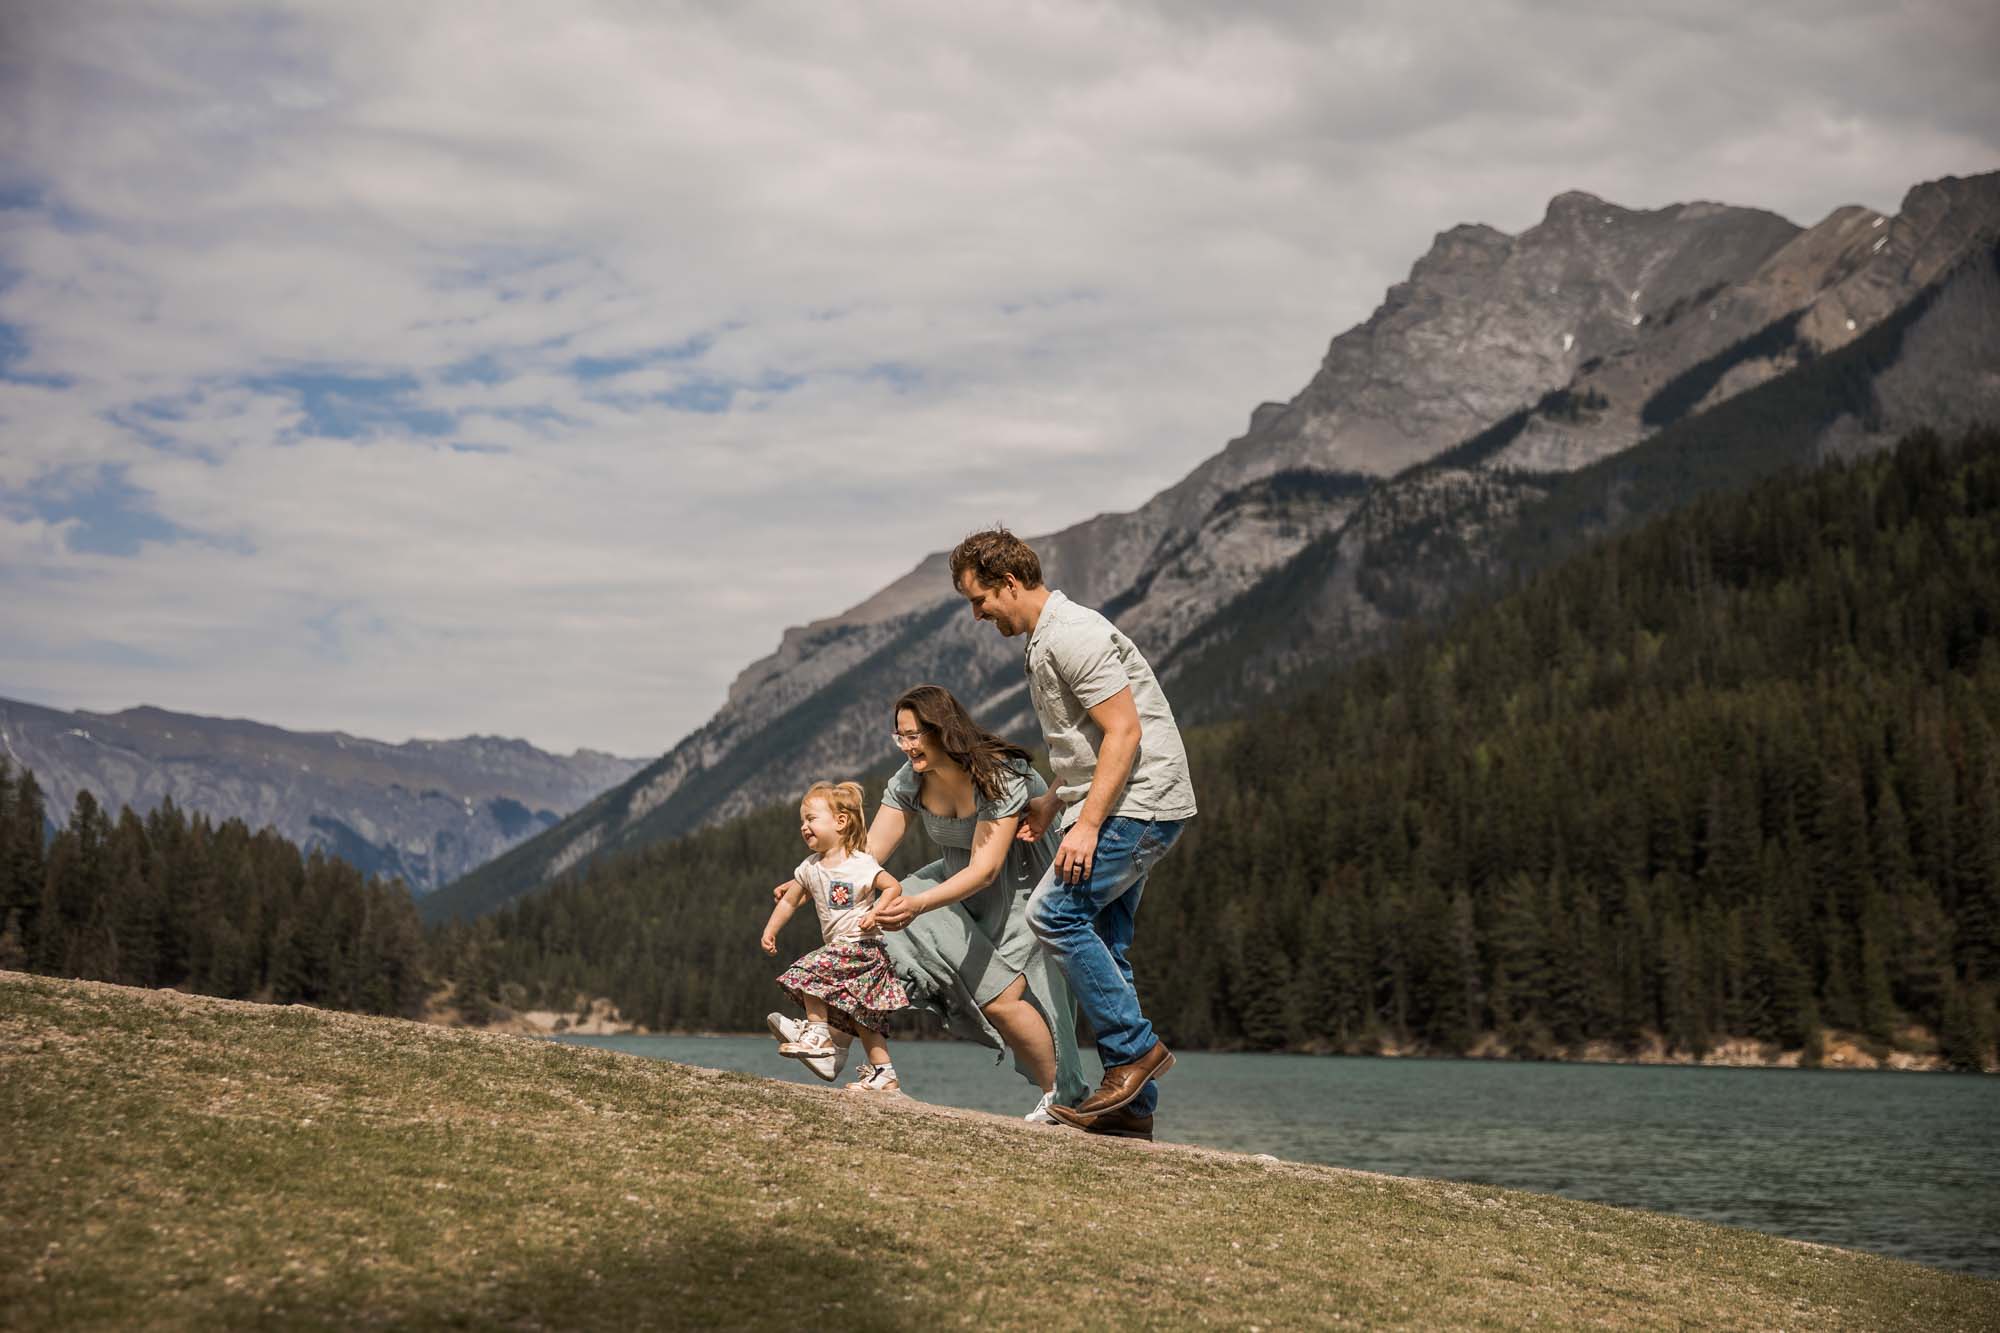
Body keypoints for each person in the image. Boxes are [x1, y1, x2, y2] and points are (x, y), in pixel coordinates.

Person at [949, 527, 1197, 1141]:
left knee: (1054, 913)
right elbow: (1084, 746)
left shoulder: (1073, 634)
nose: (978, 615)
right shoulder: (1045, 640)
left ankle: (1136, 1055)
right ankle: (1132, 1107)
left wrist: (1085, 827)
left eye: (980, 600)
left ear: (1009, 584)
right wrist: (1052, 799)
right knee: (1106, 945)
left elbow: (1124, 732)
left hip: (1139, 807)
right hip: (1114, 802)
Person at [769, 685, 1089, 1120]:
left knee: (1002, 997)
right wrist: (802, 884)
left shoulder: (999, 774)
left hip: (1021, 887)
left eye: (915, 735)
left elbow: (987, 869)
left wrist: (918, 906)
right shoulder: (910, 779)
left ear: (944, 730)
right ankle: (835, 1038)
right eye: (899, 736)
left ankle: (1062, 1099)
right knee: (873, 922)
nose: (907, 746)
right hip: (953, 880)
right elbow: (867, 855)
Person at [761, 780, 911, 1094]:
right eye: (802, 821)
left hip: (862, 947)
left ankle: (817, 1033)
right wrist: (771, 929)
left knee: (810, 971)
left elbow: (893, 887)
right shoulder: (809, 867)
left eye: (811, 819)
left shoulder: (860, 863)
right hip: (842, 948)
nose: (804, 826)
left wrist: (877, 912)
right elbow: (790, 900)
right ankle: (884, 1074)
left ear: (840, 822)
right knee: (862, 1017)